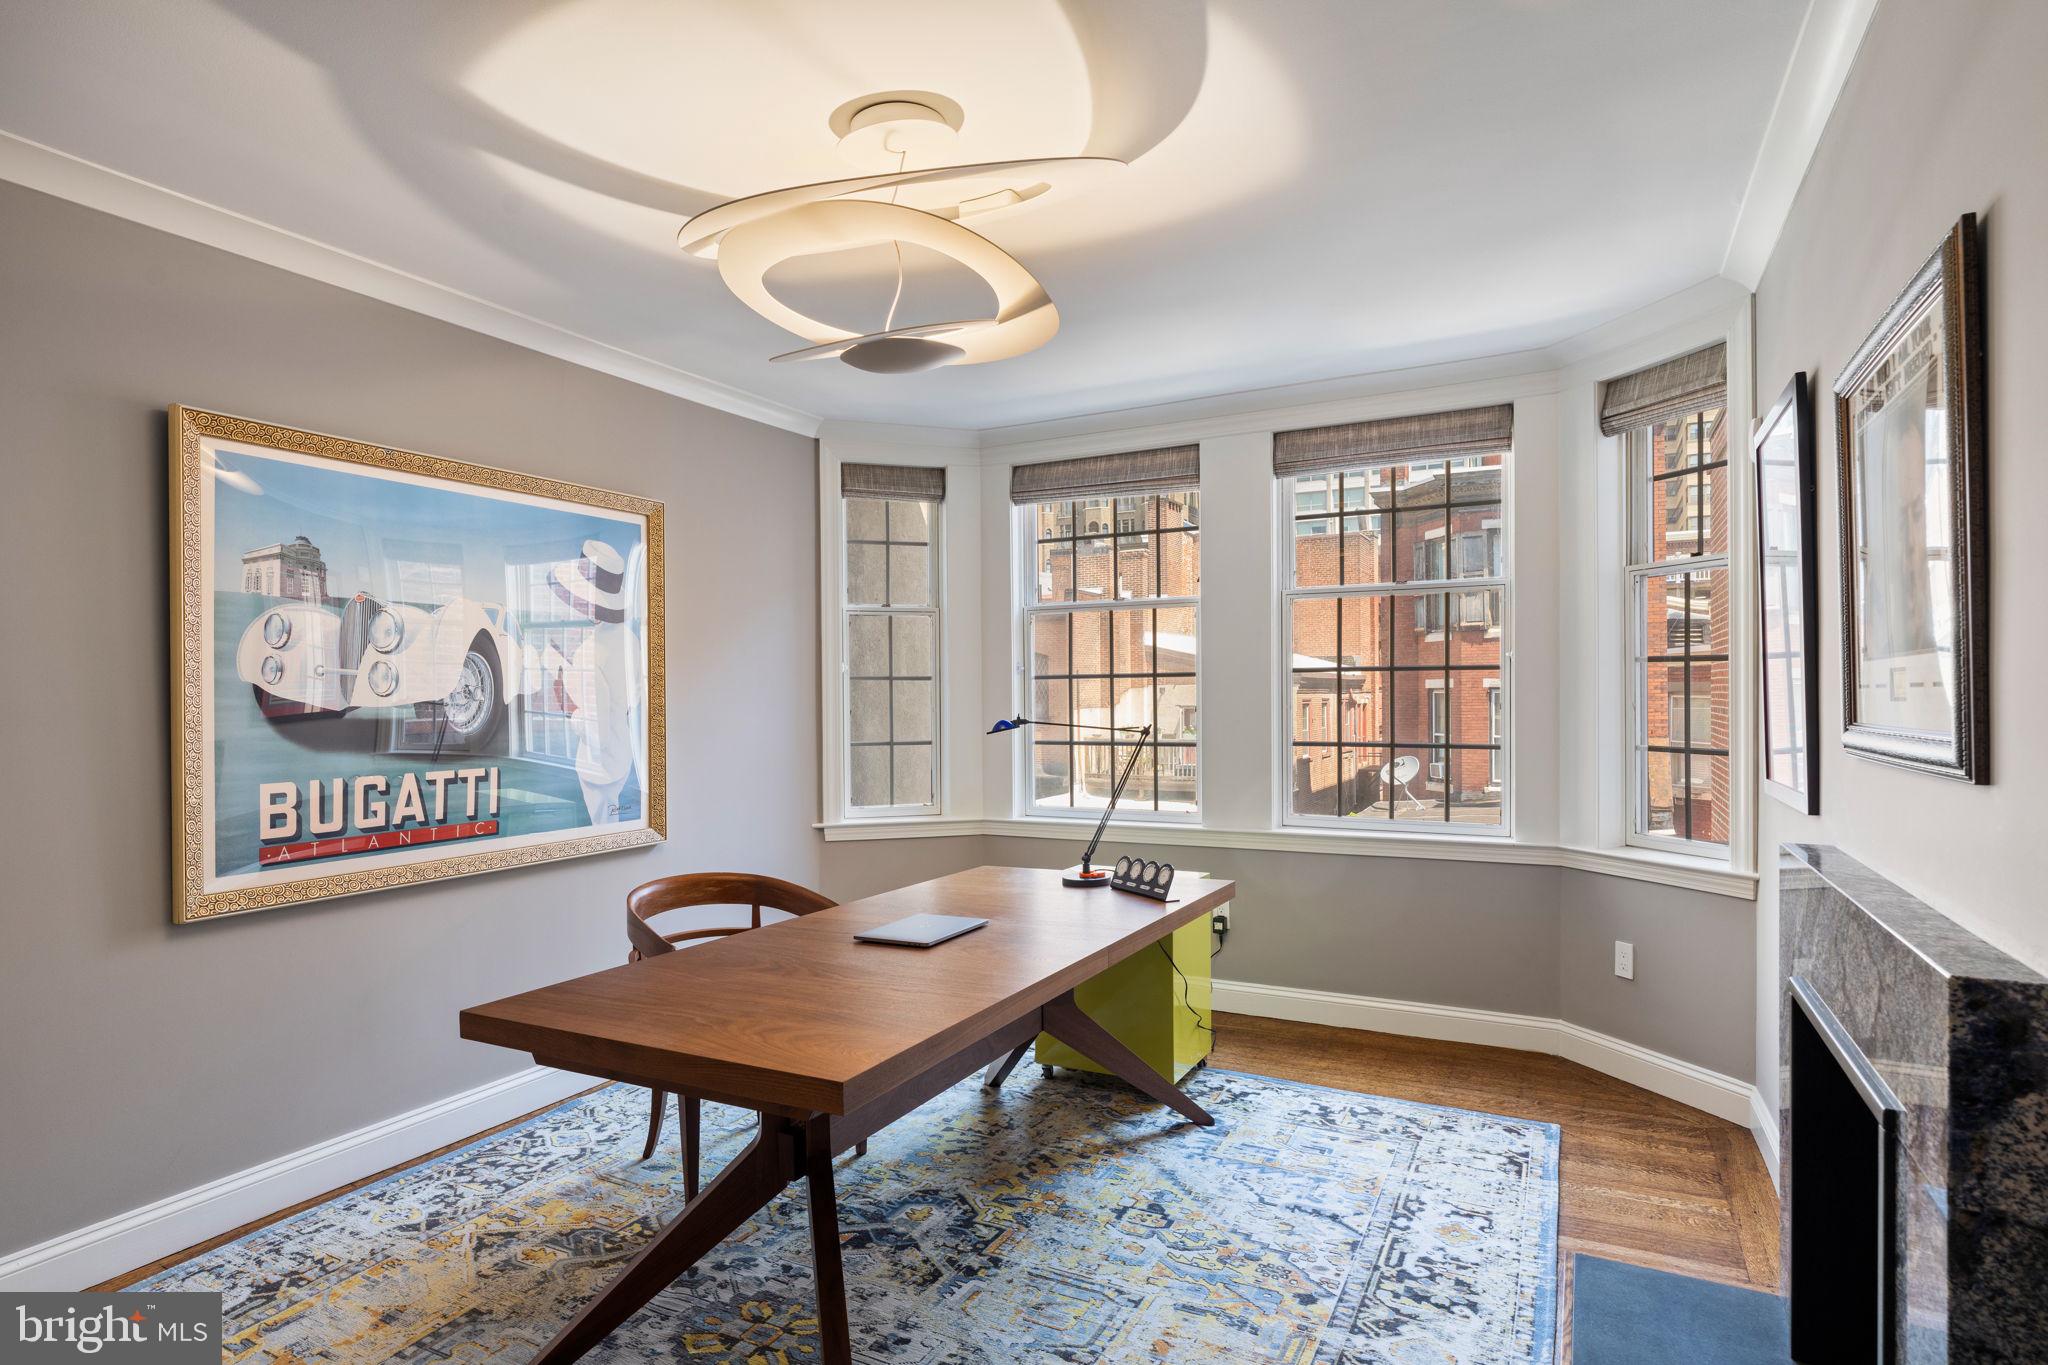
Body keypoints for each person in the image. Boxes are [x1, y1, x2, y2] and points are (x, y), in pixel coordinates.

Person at [547, 540, 644, 825]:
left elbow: (596, 734)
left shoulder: (589, 654)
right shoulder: (630, 641)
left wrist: (570, 706)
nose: (572, 604)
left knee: (604, 831)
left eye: (575, 598)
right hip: (623, 756)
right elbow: (632, 698)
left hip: (598, 769)